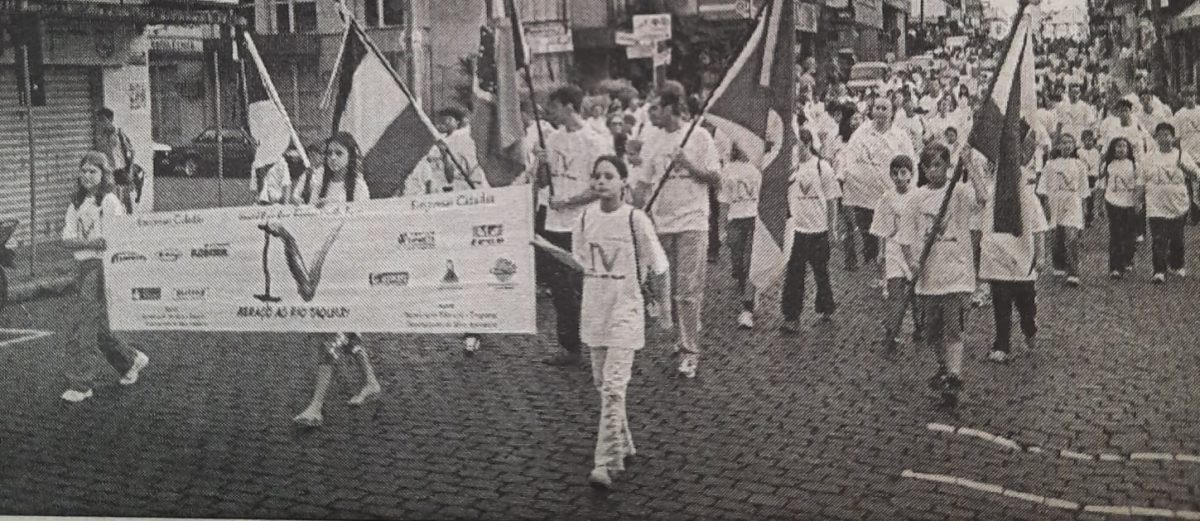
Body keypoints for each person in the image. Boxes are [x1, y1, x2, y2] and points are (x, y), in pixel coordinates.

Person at [575, 156, 670, 490]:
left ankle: (605, 462)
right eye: (596, 176)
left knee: (614, 387)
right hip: (595, 312)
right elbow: (580, 263)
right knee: (604, 387)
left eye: (609, 176)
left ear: (623, 182)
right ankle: (625, 444)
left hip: (625, 313)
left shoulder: (636, 219)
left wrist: (664, 311)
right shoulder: (584, 218)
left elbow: (659, 265)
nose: (601, 182)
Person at [288, 133, 381, 427]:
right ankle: (370, 380)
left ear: (351, 157)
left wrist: (340, 213)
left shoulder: (360, 188)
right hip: (324, 267)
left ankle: (316, 406)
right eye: (329, 153)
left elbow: (363, 227)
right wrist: (312, 209)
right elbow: (305, 216)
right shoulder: (318, 182)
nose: (332, 159)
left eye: (338, 153)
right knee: (343, 327)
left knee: (329, 334)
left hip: (346, 269)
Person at [630, 81, 721, 379]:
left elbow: (714, 178)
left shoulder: (700, 136)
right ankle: (681, 335)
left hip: (693, 221)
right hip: (661, 222)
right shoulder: (651, 137)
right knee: (663, 287)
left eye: (654, 108)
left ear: (670, 108)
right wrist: (634, 215)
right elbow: (643, 183)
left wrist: (688, 164)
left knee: (688, 289)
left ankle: (689, 351)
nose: (650, 114)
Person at [59, 152, 151, 403]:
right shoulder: (76, 203)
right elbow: (66, 240)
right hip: (81, 266)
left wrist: (92, 245)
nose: (87, 176)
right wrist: (90, 242)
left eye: (93, 171)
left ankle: (81, 383)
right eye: (84, 170)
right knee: (98, 327)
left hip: (100, 267)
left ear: (103, 175)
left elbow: (118, 237)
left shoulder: (109, 201)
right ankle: (130, 360)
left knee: (82, 325)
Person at [895, 143, 980, 408]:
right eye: (929, 166)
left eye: (939, 165)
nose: (934, 171)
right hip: (929, 277)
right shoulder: (916, 198)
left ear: (947, 166)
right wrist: (912, 264)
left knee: (954, 327)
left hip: (955, 272)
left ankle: (954, 375)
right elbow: (906, 236)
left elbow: (984, 198)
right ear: (922, 169)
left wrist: (970, 165)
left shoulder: (959, 193)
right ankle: (944, 368)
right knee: (932, 332)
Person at [535, 85, 614, 367]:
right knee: (560, 287)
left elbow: (602, 187)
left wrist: (569, 201)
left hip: (584, 223)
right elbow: (544, 182)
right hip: (554, 224)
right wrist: (541, 163)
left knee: (587, 285)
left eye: (553, 107)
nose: (548, 112)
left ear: (569, 107)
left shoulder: (595, 141)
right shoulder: (552, 139)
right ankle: (569, 346)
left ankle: (599, 341)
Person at [839, 97, 917, 271]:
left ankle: (892, 264)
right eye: (878, 108)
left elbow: (911, 160)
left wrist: (911, 185)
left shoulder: (900, 135)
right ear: (872, 111)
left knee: (891, 229)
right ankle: (874, 263)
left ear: (891, 113)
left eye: (885, 108)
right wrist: (847, 176)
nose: (881, 112)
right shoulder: (861, 133)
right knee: (869, 231)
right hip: (864, 195)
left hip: (891, 191)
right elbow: (849, 158)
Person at [780, 129, 839, 333]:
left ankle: (826, 305)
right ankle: (791, 316)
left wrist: (832, 226)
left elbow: (831, 199)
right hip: (797, 230)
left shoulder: (822, 167)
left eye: (798, 145)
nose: (795, 150)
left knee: (820, 272)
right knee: (794, 274)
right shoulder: (791, 169)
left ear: (807, 144)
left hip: (818, 230)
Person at [870, 155, 921, 351]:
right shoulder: (886, 198)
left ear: (910, 175)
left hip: (913, 250)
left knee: (915, 293)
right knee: (895, 292)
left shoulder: (917, 197)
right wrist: (881, 252)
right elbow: (881, 227)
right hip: (893, 249)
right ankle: (892, 331)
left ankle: (919, 324)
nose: (899, 177)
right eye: (895, 173)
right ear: (891, 175)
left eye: (903, 173)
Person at [1140, 123, 1200, 283]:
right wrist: (1138, 199)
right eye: (1160, 134)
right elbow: (1141, 179)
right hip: (1156, 204)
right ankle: (1159, 270)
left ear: (1173, 138)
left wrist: (1186, 169)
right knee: (1158, 237)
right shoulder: (1149, 157)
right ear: (1156, 138)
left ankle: (1177, 265)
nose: (1164, 138)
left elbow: (1197, 175)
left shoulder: (1181, 154)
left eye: (1167, 134)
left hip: (1177, 204)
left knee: (1176, 237)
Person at [718, 143, 762, 329]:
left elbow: (761, 197)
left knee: (748, 259)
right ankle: (745, 283)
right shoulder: (727, 170)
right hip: (735, 218)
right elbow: (723, 201)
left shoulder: (756, 170)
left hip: (752, 217)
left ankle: (749, 301)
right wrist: (722, 228)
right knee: (737, 257)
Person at [1038, 134, 1089, 286]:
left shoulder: (1079, 165)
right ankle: (1058, 265)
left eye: (1069, 143)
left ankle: (1073, 272)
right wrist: (1046, 207)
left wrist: (1084, 209)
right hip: (1055, 202)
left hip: (1072, 202)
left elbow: (1083, 190)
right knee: (1056, 236)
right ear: (1058, 146)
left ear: (1074, 146)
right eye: (1063, 143)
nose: (1066, 146)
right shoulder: (1050, 165)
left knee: (1071, 234)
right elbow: (1044, 189)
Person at [1100, 138, 1141, 278]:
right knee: (1116, 234)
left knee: (1129, 234)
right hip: (1113, 202)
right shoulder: (1109, 164)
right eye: (1118, 146)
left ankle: (1128, 258)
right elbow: (1103, 183)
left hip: (1129, 203)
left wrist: (1138, 202)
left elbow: (1139, 185)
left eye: (1124, 146)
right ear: (1113, 149)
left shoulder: (1134, 165)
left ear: (1129, 149)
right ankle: (1115, 267)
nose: (1121, 149)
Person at [93, 108, 137, 214]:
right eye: (99, 120)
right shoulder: (100, 135)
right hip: (107, 171)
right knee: (110, 199)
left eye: (103, 119)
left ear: (110, 119)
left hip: (120, 170)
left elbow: (130, 152)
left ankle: (129, 222)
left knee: (125, 198)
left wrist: (130, 171)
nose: (101, 123)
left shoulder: (119, 133)